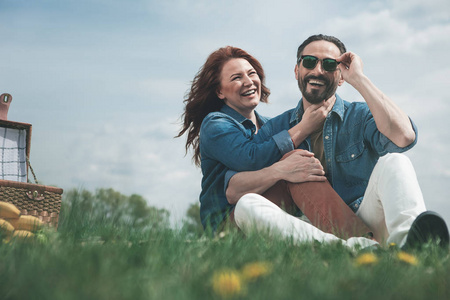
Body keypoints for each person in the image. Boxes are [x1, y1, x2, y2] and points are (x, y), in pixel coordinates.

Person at [225, 34, 449, 249]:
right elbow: (233, 188)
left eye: (330, 65)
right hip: (313, 231)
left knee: (395, 161)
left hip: (367, 217)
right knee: (247, 206)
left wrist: (359, 79)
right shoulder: (277, 127)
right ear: (296, 70)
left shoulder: (359, 116)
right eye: (309, 62)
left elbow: (404, 137)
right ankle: (359, 250)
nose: (318, 70)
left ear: (341, 76)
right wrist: (280, 170)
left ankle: (408, 245)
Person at [178, 46, 378, 249]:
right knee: (294, 163)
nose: (248, 82)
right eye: (236, 77)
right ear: (220, 91)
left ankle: (360, 241)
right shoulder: (215, 124)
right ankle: (360, 243)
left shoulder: (267, 125)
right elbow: (250, 158)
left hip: (268, 207)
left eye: (252, 73)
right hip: (228, 223)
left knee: (298, 165)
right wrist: (304, 127)